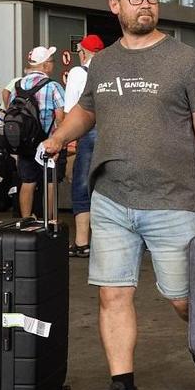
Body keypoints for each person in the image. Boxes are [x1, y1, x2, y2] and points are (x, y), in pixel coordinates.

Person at [41, 0, 195, 390]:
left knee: (183, 298)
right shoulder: (103, 62)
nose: (144, 3)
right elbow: (87, 111)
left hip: (171, 199)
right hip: (111, 197)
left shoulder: (185, 60)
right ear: (115, 6)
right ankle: (123, 386)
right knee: (113, 295)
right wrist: (57, 138)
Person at [64, 34, 105, 258]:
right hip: (111, 133)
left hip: (89, 132)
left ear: (83, 53)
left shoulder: (79, 73)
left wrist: (66, 139)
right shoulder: (111, 69)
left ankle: (82, 242)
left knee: (81, 186)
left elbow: (72, 109)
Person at [12, 46, 65, 219]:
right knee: (50, 182)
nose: (52, 65)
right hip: (47, 143)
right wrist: (60, 140)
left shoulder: (18, 85)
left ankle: (26, 219)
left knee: (27, 182)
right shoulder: (53, 86)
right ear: (44, 65)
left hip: (25, 142)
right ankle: (49, 221)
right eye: (51, 61)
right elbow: (60, 117)